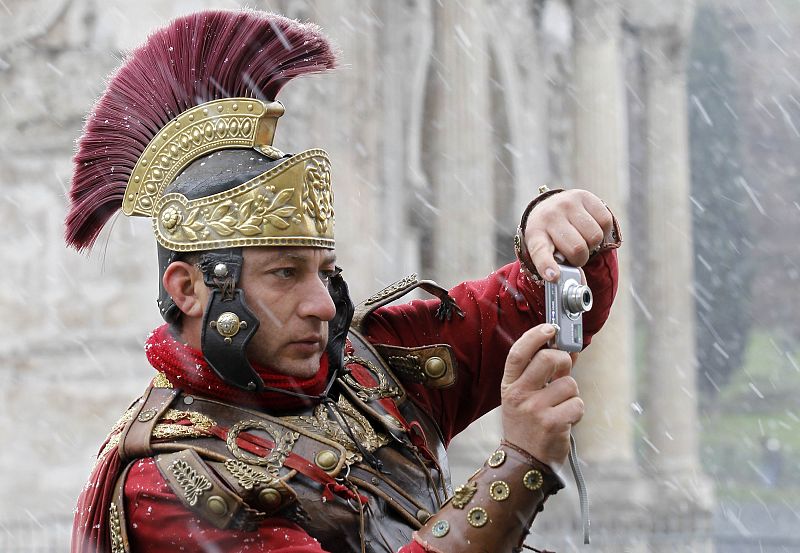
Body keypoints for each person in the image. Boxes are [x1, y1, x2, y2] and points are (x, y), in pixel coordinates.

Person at [66, 9, 621, 553]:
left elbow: (529, 309)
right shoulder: (167, 485)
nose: (322, 305)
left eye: (325, 273)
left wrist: (560, 231)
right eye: (285, 273)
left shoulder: (362, 370)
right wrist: (517, 467)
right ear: (188, 289)